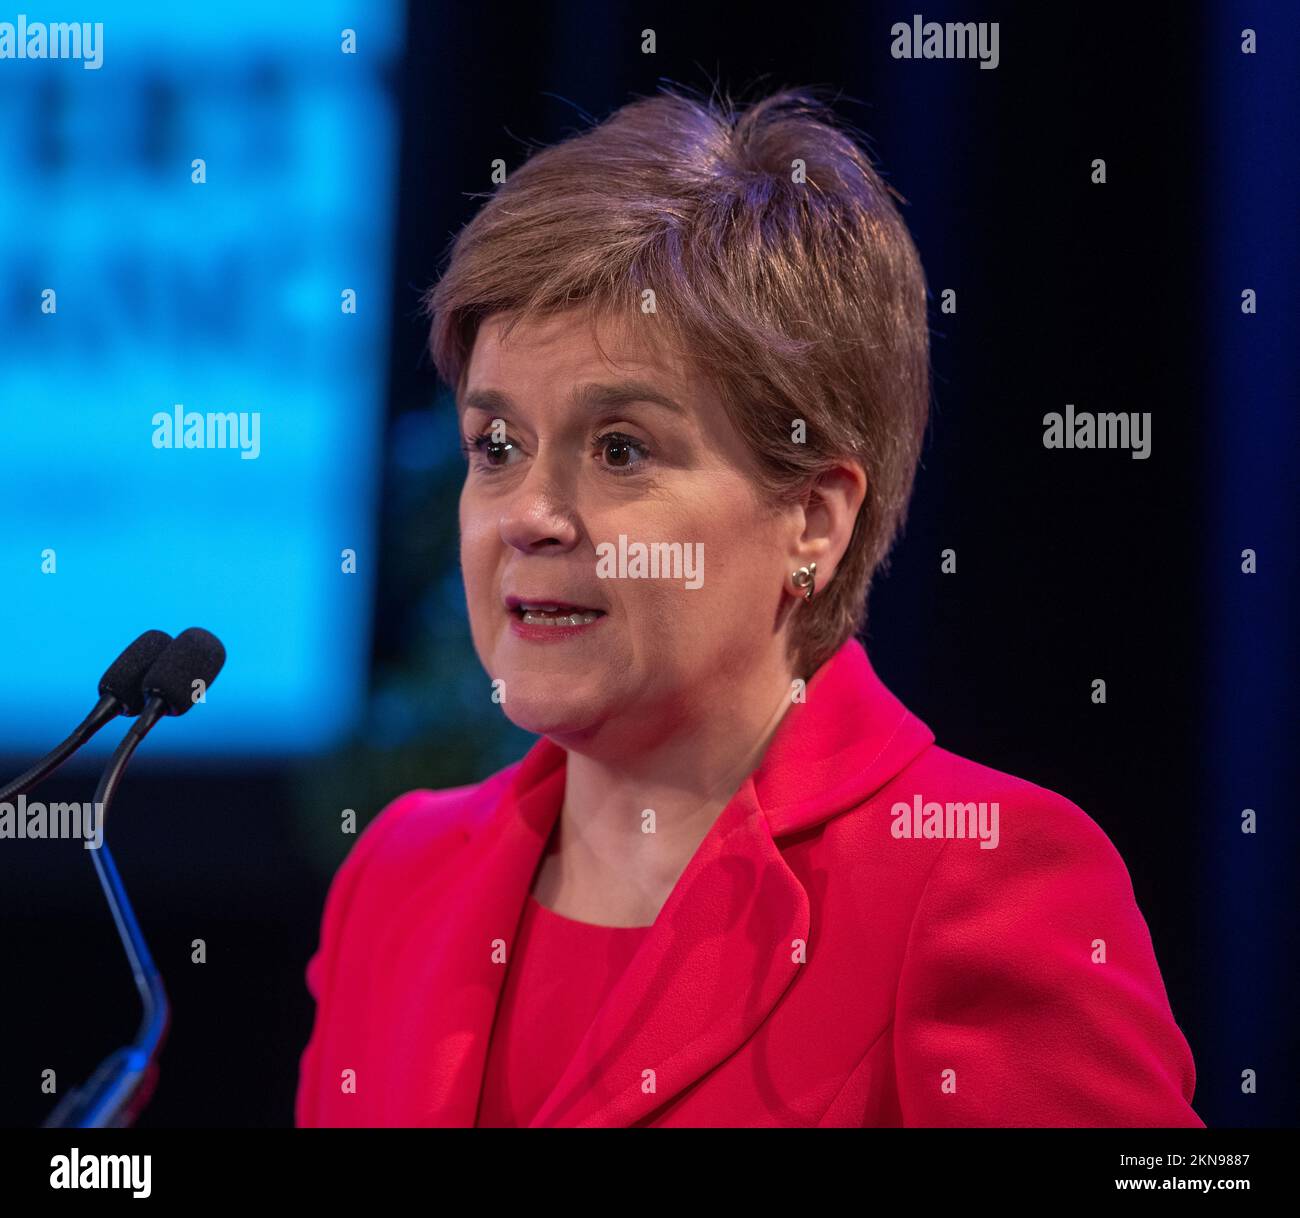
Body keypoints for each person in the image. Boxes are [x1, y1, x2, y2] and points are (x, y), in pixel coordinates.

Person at [295, 87, 1202, 1127]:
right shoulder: (398, 881)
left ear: (811, 521)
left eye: (620, 449)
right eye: (495, 448)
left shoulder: (976, 881)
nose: (530, 517)